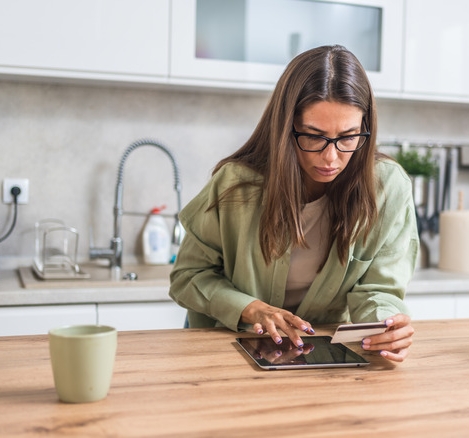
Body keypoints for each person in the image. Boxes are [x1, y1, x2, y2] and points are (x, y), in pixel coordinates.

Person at [169, 45, 418, 362]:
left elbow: (379, 290)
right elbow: (188, 277)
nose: (331, 157)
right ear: (286, 127)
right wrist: (251, 309)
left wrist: (386, 325)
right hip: (226, 352)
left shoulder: (388, 187)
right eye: (313, 136)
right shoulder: (236, 183)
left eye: (348, 137)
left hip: (323, 357)